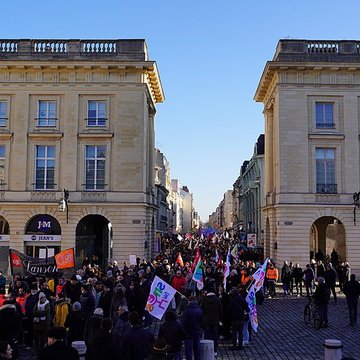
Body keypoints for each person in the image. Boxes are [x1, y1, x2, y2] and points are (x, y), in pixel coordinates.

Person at [200, 282, 222, 356]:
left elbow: (201, 310)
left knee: (207, 336)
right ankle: (215, 350)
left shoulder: (204, 300)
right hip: (215, 321)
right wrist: (219, 319)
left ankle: (206, 351)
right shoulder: (217, 300)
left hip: (206, 321)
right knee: (215, 337)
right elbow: (221, 311)